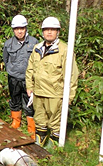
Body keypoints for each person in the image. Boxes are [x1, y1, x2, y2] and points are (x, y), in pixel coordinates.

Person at [25, 17, 78, 147]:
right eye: (46, 30)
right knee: (40, 120)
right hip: (38, 92)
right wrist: (29, 86)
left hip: (55, 94)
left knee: (56, 123)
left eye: (52, 30)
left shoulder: (65, 50)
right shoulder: (37, 48)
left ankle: (54, 149)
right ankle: (39, 145)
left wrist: (69, 96)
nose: (49, 32)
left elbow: (72, 74)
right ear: (42, 32)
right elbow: (30, 68)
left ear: (57, 32)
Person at [3, 15, 38, 139]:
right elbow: (6, 60)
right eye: (16, 28)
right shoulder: (8, 44)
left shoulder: (34, 43)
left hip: (29, 79)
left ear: (26, 28)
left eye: (22, 28)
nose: (19, 31)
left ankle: (31, 128)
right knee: (15, 99)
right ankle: (16, 122)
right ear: (13, 30)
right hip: (13, 77)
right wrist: (11, 71)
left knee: (30, 103)